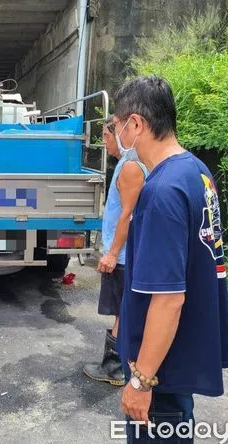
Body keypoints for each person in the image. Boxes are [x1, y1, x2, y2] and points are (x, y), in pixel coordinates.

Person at [114, 76, 228, 444]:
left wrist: (141, 380)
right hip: (180, 358)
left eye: (117, 126)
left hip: (161, 369)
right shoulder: (196, 171)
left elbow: (168, 297)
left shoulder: (161, 192)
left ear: (135, 125)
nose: (116, 136)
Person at [83, 118, 147, 386]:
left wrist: (111, 254)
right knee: (123, 309)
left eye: (107, 137)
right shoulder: (125, 164)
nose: (104, 143)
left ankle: (115, 369)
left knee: (123, 310)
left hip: (121, 256)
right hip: (120, 253)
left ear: (122, 133)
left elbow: (127, 215)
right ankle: (117, 365)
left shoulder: (132, 167)